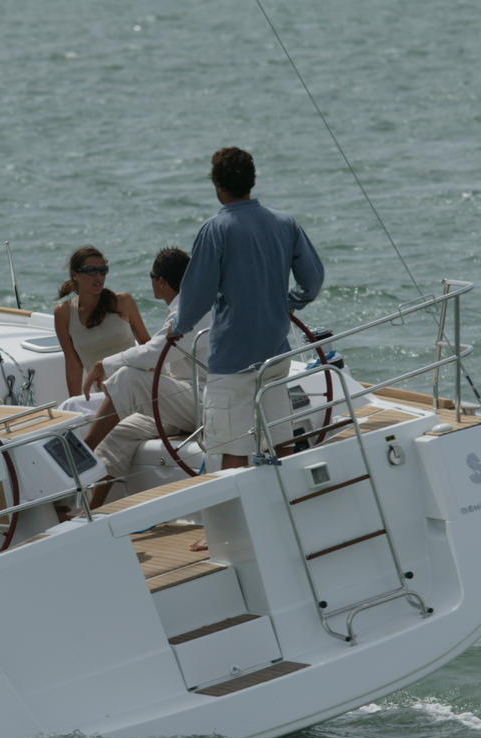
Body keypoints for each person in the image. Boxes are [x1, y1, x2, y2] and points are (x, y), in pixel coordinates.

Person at [171, 147, 325, 471]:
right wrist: (286, 303)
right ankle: (287, 496)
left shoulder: (215, 229)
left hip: (233, 361)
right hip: (275, 355)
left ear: (218, 185)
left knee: (232, 448)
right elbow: (312, 282)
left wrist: (178, 328)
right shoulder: (285, 223)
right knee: (280, 440)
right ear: (252, 181)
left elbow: (197, 295)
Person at [78, 247, 210, 509]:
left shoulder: (188, 311)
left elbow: (154, 353)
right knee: (119, 434)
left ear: (161, 282)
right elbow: (162, 355)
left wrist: (103, 365)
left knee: (127, 377)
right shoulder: (192, 305)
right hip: (186, 402)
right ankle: (89, 512)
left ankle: (82, 451)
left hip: (204, 402)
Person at [53, 246, 149, 406]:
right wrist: (75, 404)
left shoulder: (123, 302)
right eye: (91, 271)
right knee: (71, 406)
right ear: (75, 274)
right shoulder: (63, 314)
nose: (98, 277)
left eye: (103, 271)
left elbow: (147, 345)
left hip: (137, 385)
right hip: (104, 397)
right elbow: (73, 364)